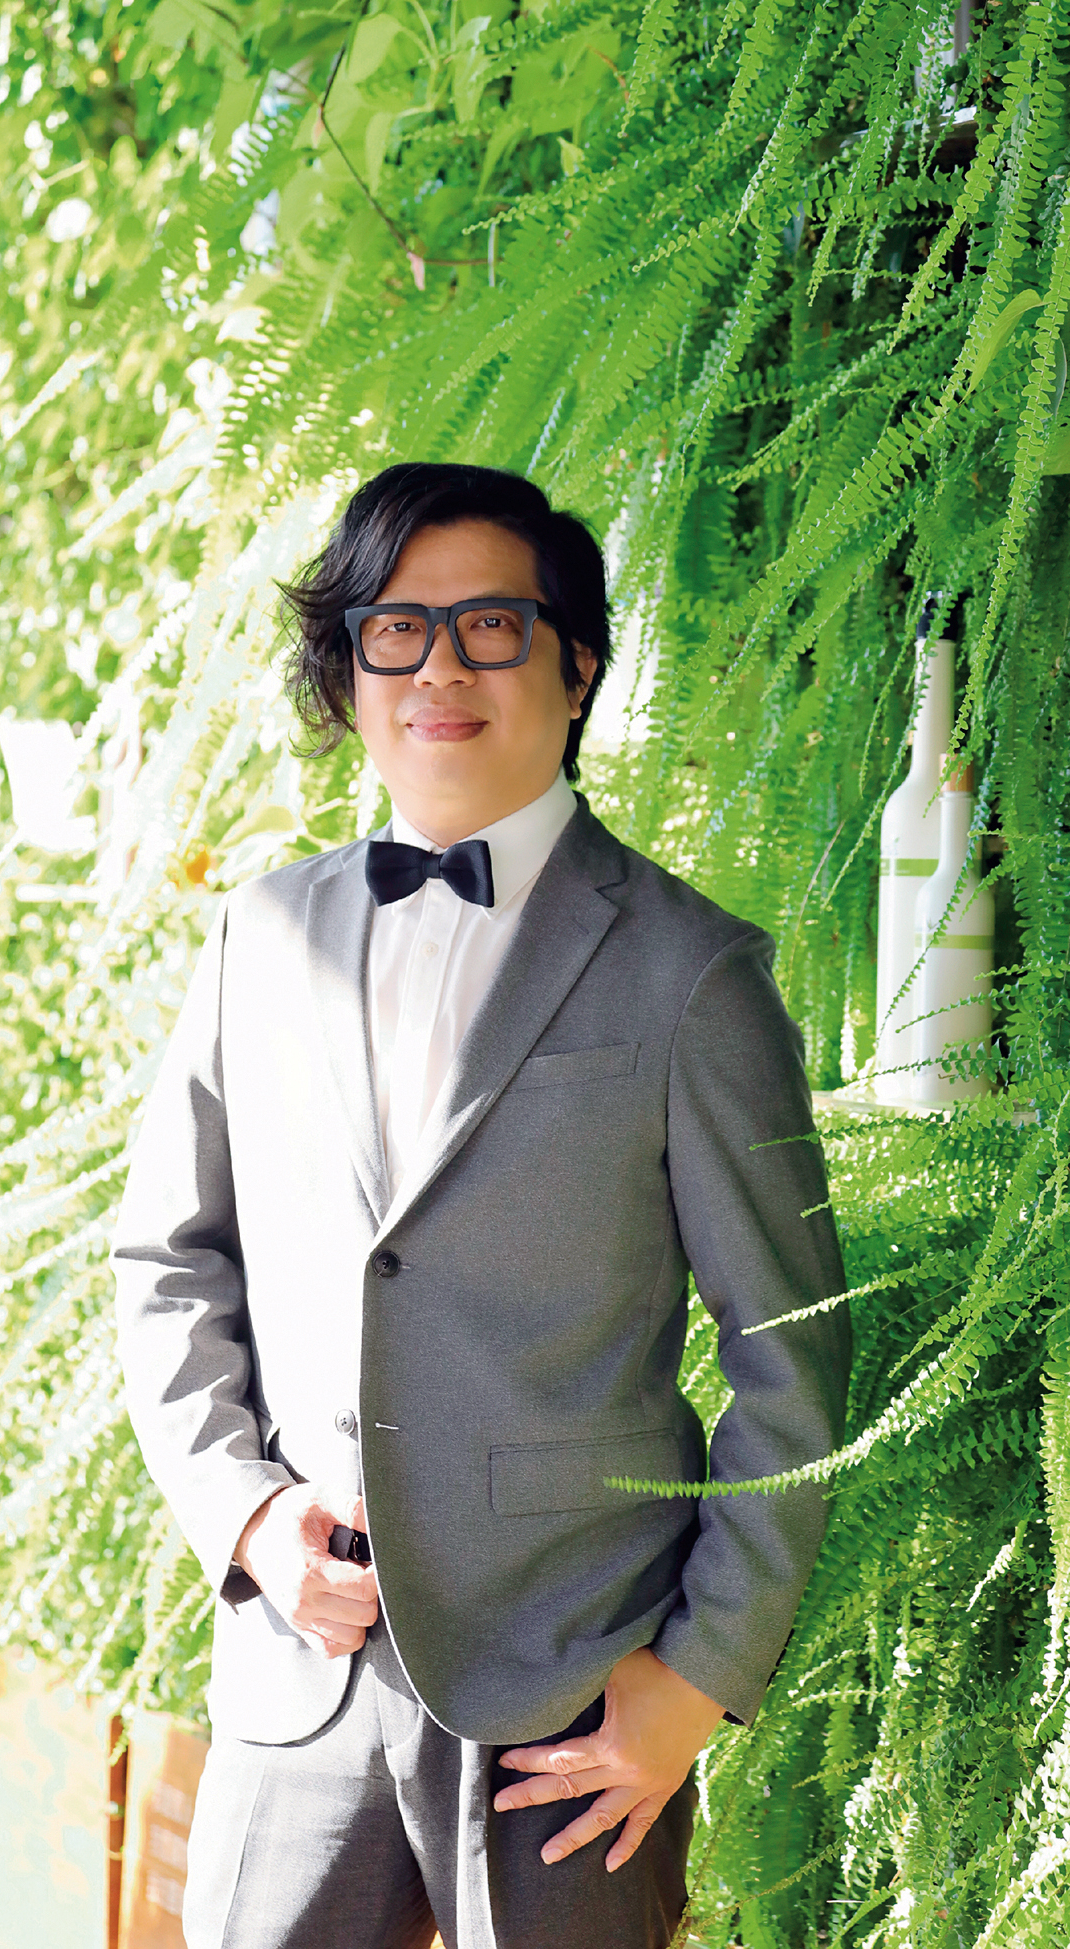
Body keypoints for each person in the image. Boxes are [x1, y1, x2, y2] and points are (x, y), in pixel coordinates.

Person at [112, 463, 851, 1949]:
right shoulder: (259, 938)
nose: (440, 668)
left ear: (575, 667)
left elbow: (795, 1351)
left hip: (573, 1703)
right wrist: (247, 1515)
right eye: (397, 629)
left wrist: (698, 1678)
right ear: (349, 670)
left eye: (492, 626)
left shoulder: (691, 973)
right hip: (302, 1672)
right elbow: (167, 1261)